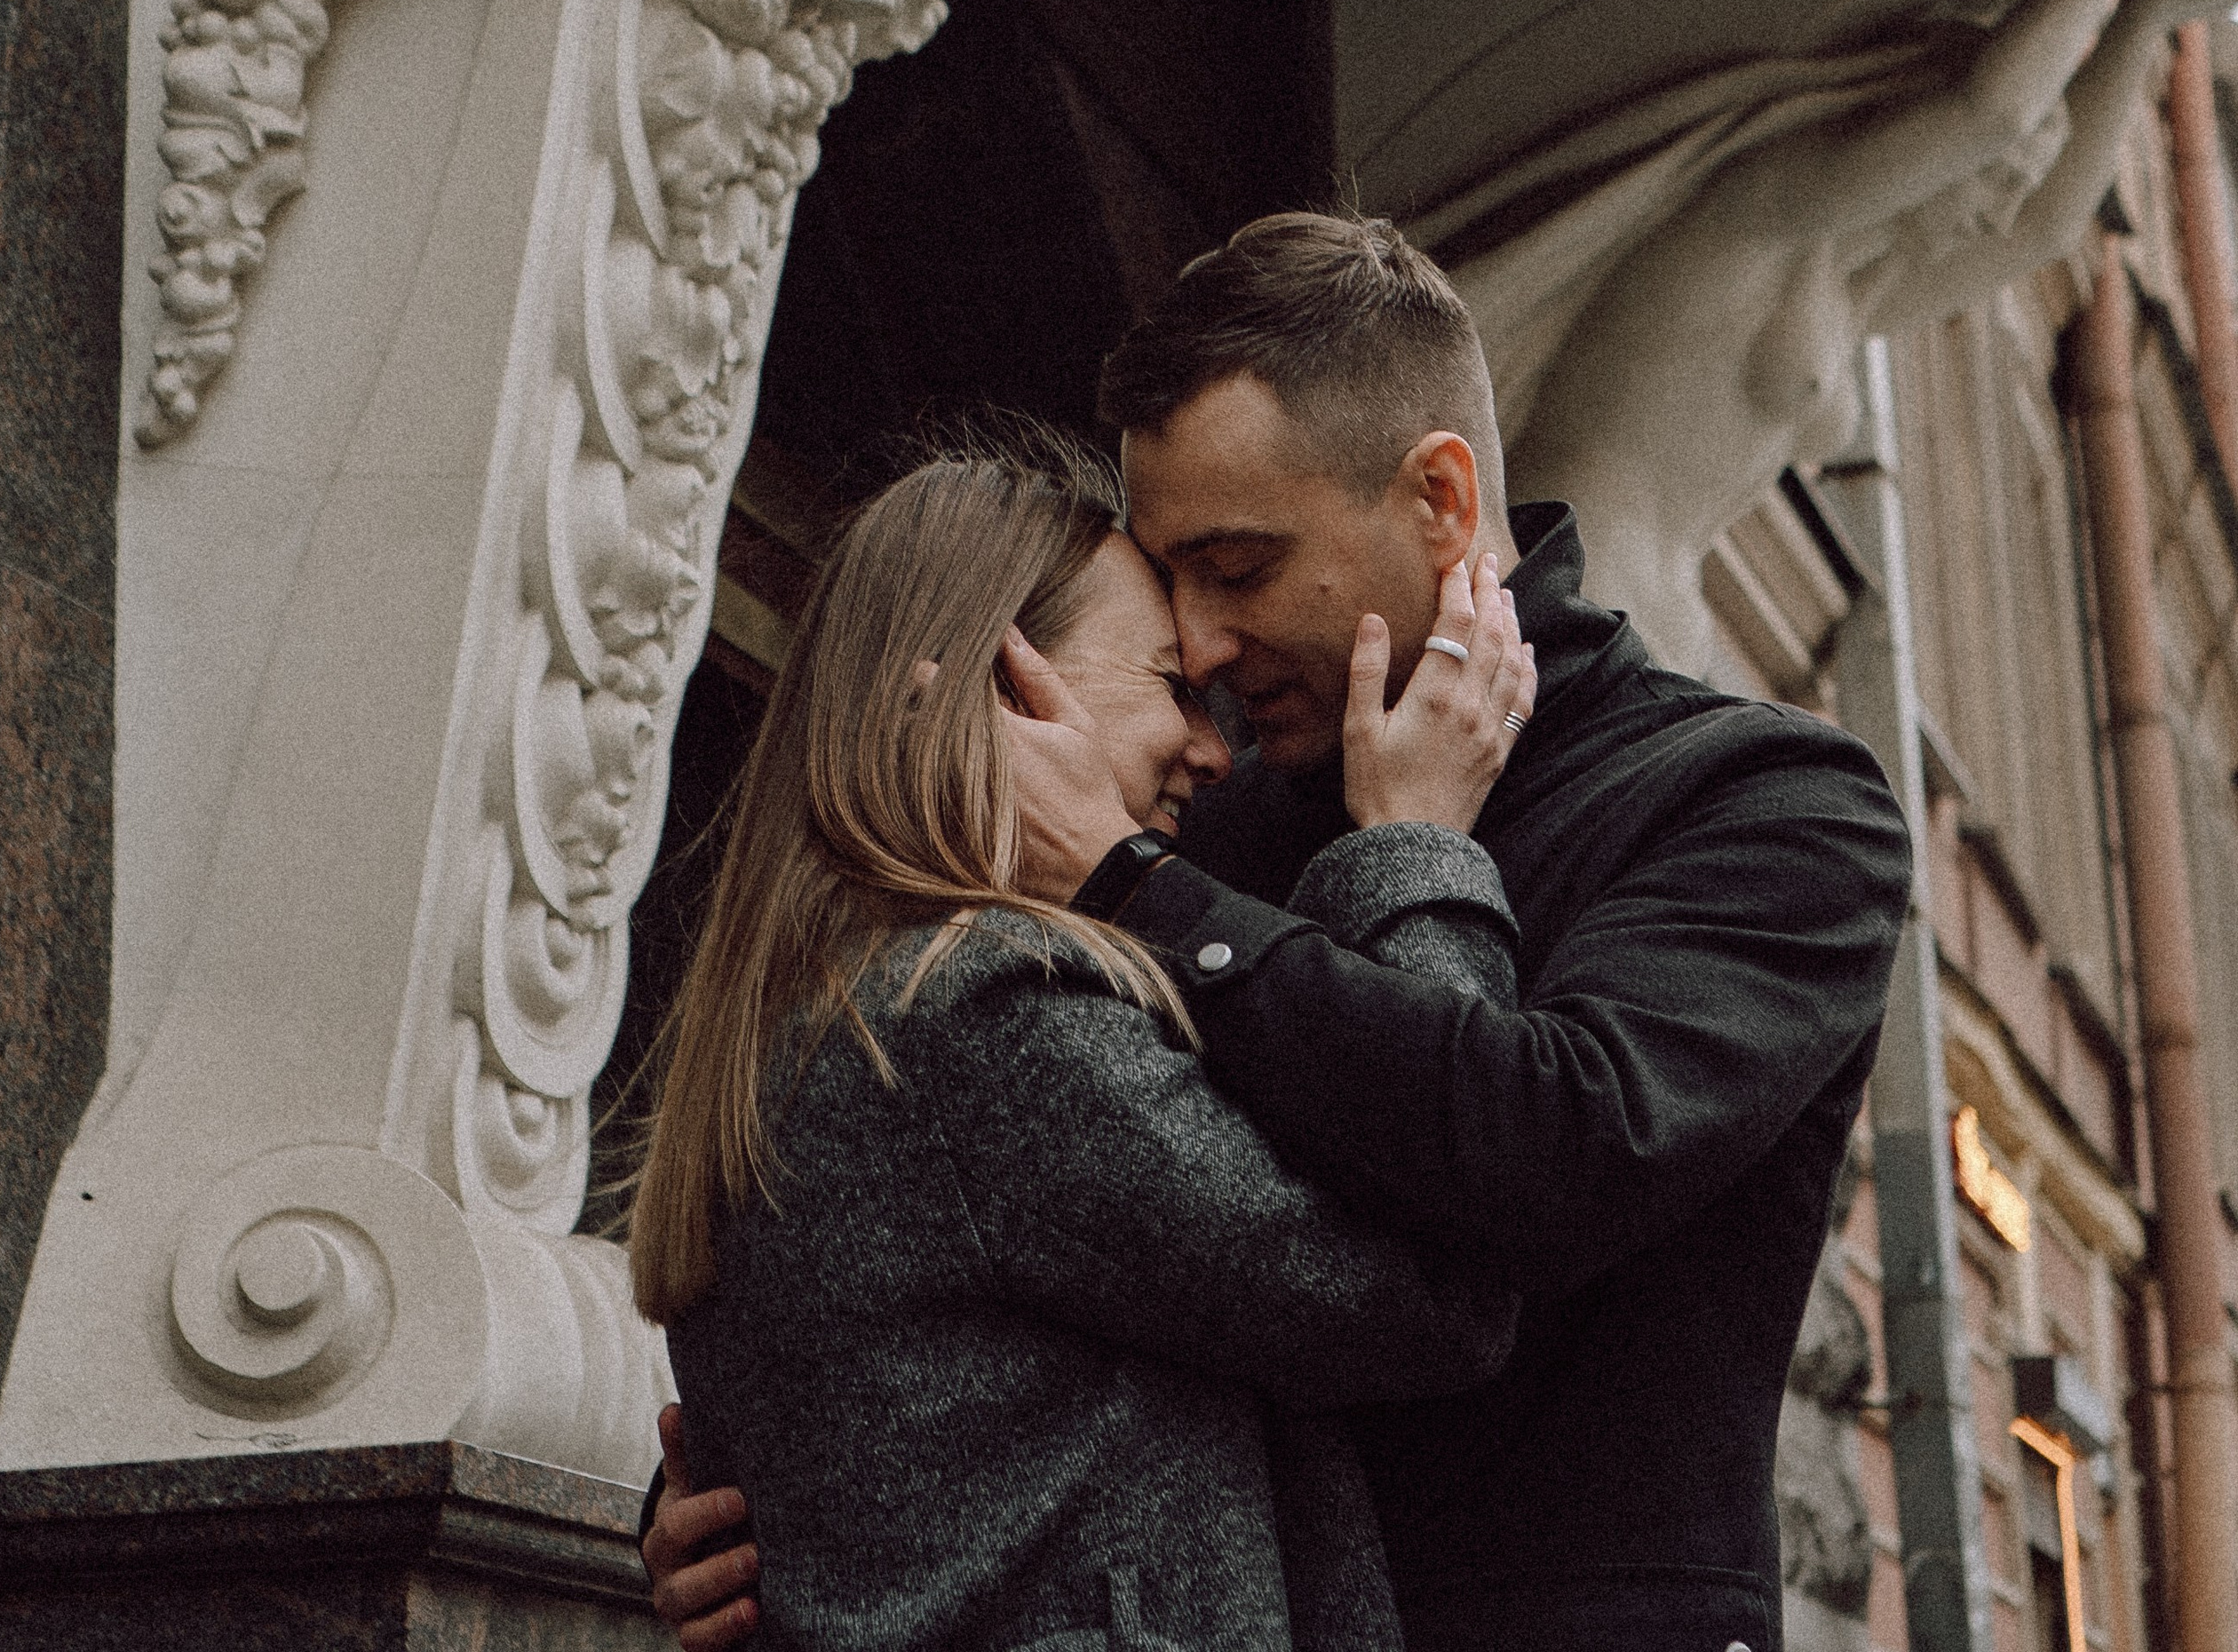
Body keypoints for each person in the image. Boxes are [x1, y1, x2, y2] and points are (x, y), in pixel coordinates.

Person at [647, 220, 1910, 1652]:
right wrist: (789, 1506)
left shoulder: (1757, 805)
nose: (1204, 642)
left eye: (1238, 567)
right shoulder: (1202, 822)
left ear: (1440, 498)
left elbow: (1555, 1154)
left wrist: (1181, 883)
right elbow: (987, 1226)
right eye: (1172, 586)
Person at [631, 423, 1539, 1651]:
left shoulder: (831, 1013)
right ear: (1008, 696)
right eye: (1172, 687)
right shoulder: (983, 1017)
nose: (1215, 750)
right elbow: (1434, 1294)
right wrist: (1416, 843)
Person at [1456, 0, 2238, 667]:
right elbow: (1991, 115)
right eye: (1994, 179)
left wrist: (2149, 13)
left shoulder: (1853, 287)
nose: (2001, 209)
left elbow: (2043, 228)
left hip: (1666, 609)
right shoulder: (1760, 209)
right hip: (1571, 560)